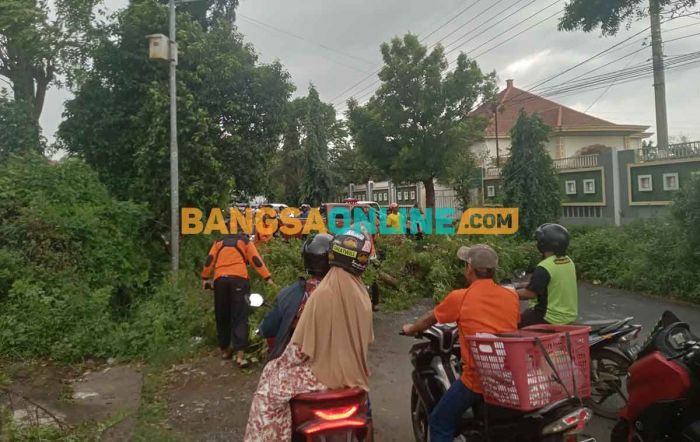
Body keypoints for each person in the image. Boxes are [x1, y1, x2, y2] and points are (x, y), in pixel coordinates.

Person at [244, 230, 374, 441]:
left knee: (269, 388)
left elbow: (300, 348)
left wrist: (278, 366)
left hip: (327, 376)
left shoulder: (321, 294)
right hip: (355, 376)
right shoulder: (361, 293)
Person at [401, 245, 520, 442]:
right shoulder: (511, 296)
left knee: (439, 421)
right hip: (509, 375)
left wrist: (411, 328)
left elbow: (428, 320)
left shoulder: (460, 297)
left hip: (477, 380)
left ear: (470, 269)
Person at [201, 231, 275, 368]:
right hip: (239, 279)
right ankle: (240, 355)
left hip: (220, 280)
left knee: (222, 314)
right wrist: (267, 278)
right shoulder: (245, 242)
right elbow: (256, 260)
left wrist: (205, 278)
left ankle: (225, 350)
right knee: (240, 314)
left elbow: (210, 259)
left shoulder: (219, 242)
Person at [258, 233, 333, 360]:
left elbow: (267, 329)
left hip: (295, 365)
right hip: (331, 365)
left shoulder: (288, 293)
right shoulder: (345, 293)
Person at [517, 223, 578, 327]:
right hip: (568, 316)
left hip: (548, 317)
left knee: (513, 322)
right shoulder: (568, 261)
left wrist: (508, 293)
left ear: (543, 243)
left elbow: (530, 294)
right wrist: (524, 284)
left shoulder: (544, 267)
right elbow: (554, 283)